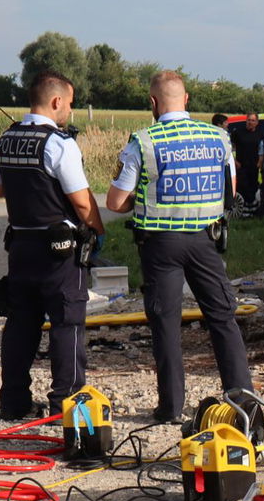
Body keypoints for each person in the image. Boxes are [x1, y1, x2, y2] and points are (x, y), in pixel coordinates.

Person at [106, 71, 254, 423]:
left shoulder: (143, 141)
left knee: (166, 324)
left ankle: (171, 408)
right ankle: (244, 403)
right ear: (186, 100)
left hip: (160, 246)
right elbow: (228, 191)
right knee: (222, 319)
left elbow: (115, 201)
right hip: (205, 240)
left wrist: (139, 203)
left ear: (153, 104)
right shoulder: (218, 137)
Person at [0, 71, 105, 420]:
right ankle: (64, 404)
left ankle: (13, 402)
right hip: (60, 251)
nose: (68, 111)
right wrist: (97, 231)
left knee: (20, 323)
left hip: (21, 246)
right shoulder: (59, 144)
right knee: (67, 323)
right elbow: (82, 202)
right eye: (68, 104)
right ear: (56, 102)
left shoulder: (5, 139)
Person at [230, 111, 262, 213]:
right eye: (248, 120)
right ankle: (242, 211)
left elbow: (263, 150)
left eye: (253, 120)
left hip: (254, 166)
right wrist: (234, 161)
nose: (250, 122)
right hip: (241, 166)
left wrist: (261, 162)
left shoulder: (260, 133)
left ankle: (252, 209)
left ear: (257, 122)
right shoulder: (238, 132)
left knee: (253, 187)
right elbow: (229, 147)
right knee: (243, 187)